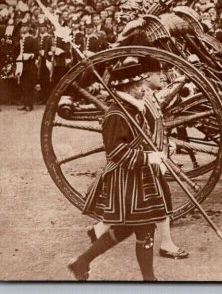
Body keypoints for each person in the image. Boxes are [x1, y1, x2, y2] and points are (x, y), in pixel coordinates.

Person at [68, 57, 172, 281]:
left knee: (130, 228)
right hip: (126, 180)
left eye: (141, 84)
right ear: (126, 88)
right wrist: (149, 157)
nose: (143, 89)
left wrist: (158, 149)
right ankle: (149, 280)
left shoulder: (133, 109)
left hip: (140, 179)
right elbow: (116, 153)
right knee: (142, 228)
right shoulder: (116, 115)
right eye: (137, 86)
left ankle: (81, 262)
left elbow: (140, 139)